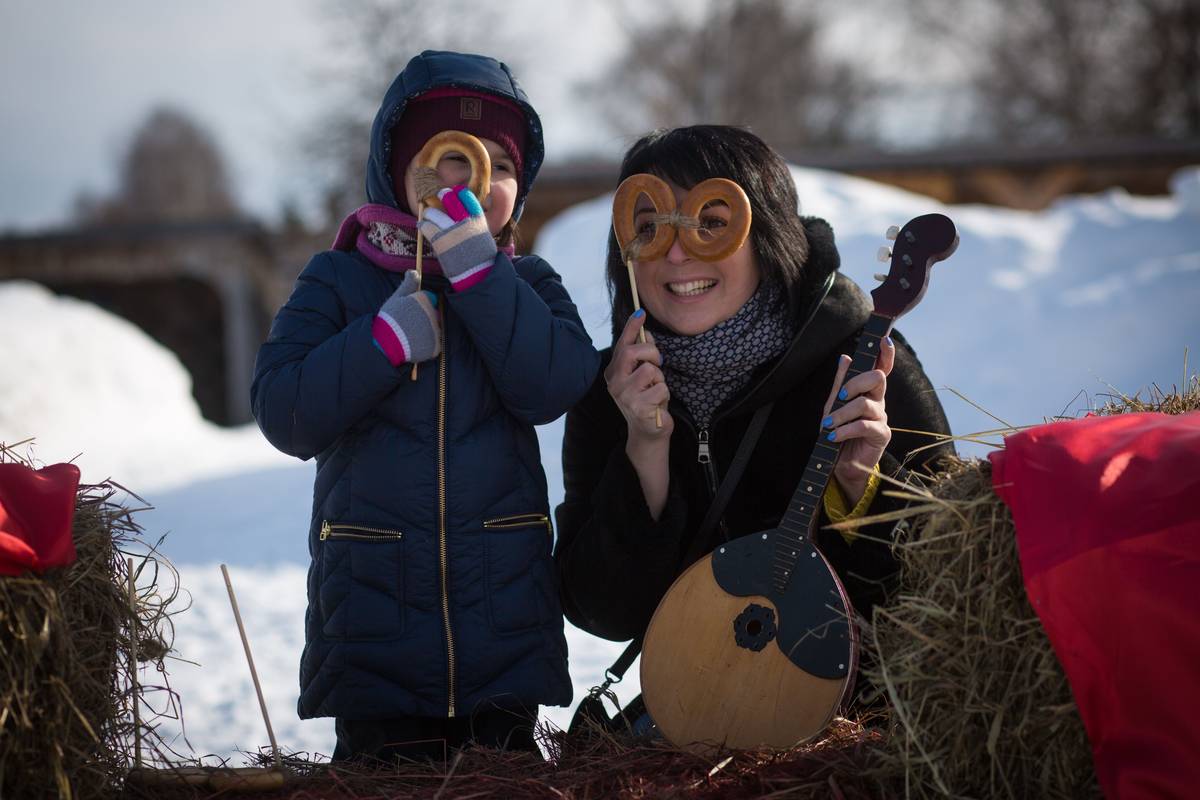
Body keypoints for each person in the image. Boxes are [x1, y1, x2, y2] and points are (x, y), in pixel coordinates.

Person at [251, 50, 599, 763]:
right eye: (449, 159)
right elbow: (285, 410)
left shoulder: (527, 281)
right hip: (374, 627)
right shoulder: (340, 278)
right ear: (399, 171)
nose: (477, 182)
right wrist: (379, 342)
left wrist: (481, 276)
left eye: (501, 168)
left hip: (501, 629)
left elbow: (556, 383)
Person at [554, 125, 954, 709]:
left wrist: (861, 488)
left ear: (765, 235)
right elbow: (603, 613)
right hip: (702, 719)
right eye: (649, 227)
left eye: (712, 223)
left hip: (866, 724)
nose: (675, 251)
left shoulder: (861, 366)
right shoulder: (608, 393)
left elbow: (948, 578)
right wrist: (645, 451)